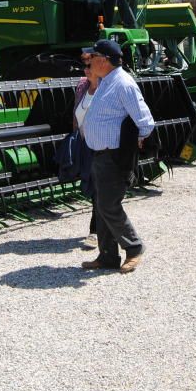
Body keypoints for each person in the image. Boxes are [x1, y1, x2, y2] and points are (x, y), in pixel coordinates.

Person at [78, 39, 155, 273]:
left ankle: (134, 248)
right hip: (101, 155)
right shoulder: (106, 82)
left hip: (114, 156)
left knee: (109, 205)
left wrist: (132, 144)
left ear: (103, 61)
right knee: (102, 206)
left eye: (92, 58)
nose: (89, 62)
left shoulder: (122, 83)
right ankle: (108, 256)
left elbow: (146, 121)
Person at [73, 54, 101, 249]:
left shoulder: (109, 88)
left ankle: (95, 232)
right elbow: (76, 114)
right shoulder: (82, 86)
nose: (87, 70)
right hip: (85, 145)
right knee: (93, 190)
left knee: (99, 191)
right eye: (85, 66)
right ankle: (107, 229)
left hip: (103, 146)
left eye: (90, 66)